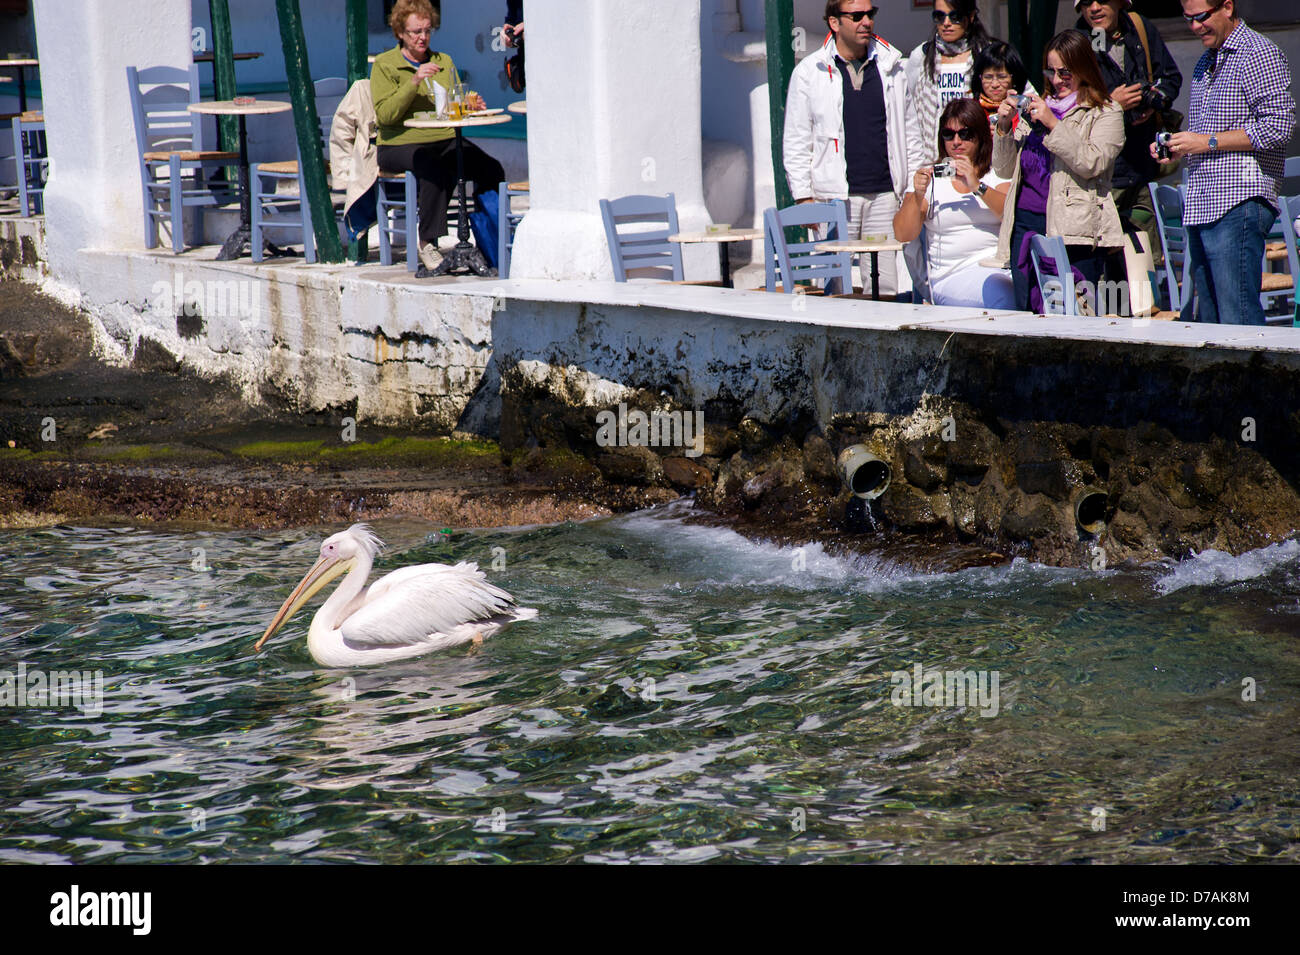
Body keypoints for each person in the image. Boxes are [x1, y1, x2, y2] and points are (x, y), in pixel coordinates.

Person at [1156, 0, 1295, 325]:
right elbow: (1210, 135)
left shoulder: (1258, 52)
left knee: (1239, 319)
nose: (1194, 27)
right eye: (1187, 19)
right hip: (1204, 202)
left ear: (1228, 7)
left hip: (1240, 201)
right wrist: (1182, 147)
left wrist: (1205, 142)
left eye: (1201, 17)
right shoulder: (1207, 59)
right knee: (1212, 322)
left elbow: (1279, 126)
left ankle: (1257, 377)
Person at [783, 1, 909, 297]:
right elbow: (796, 139)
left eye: (870, 14)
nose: (866, 21)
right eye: (856, 16)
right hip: (835, 197)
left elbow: (910, 131)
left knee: (884, 286)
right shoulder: (809, 71)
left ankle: (882, 341)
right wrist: (803, 197)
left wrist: (910, 187)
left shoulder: (892, 66)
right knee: (834, 286)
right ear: (834, 23)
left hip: (885, 194)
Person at [993, 30, 1125, 312]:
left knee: (1079, 313)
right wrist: (1004, 126)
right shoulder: (1038, 107)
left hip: (1073, 230)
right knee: (1026, 312)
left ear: (1083, 68)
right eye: (1050, 71)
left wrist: (1054, 124)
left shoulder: (1105, 111)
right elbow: (1004, 169)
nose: (1056, 80)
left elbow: (1093, 163)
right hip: (1025, 225)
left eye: (1065, 73)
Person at [371, 0, 504, 271]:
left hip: (442, 138)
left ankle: (489, 233)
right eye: (415, 32)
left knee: (490, 167)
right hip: (399, 143)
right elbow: (386, 116)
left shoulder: (443, 61)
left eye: (427, 31)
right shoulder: (386, 65)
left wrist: (470, 104)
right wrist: (415, 81)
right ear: (400, 33)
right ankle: (427, 241)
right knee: (435, 166)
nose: (422, 37)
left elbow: (452, 100)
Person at [1073, 0, 1182, 267]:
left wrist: (1153, 101)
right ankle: (1113, 307)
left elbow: (1170, 77)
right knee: (1105, 261)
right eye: (1086, 3)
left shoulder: (1139, 27)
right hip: (1103, 173)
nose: (1094, 8)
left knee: (1144, 261)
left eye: (1102, 0)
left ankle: (1148, 306)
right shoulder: (1076, 43)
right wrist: (1113, 105)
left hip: (1141, 165)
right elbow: (1068, 110)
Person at [893, 98, 1013, 308]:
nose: (956, 141)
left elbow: (1010, 214)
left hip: (999, 267)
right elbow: (903, 234)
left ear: (980, 136)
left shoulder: (997, 172)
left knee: (1018, 289)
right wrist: (918, 195)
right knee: (1003, 295)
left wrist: (977, 185)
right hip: (952, 275)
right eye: (948, 134)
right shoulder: (931, 179)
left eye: (964, 134)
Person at [971, 41, 1028, 130]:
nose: (995, 84)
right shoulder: (970, 111)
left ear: (1014, 78)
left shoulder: (1025, 111)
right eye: (988, 77)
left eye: (1002, 77)